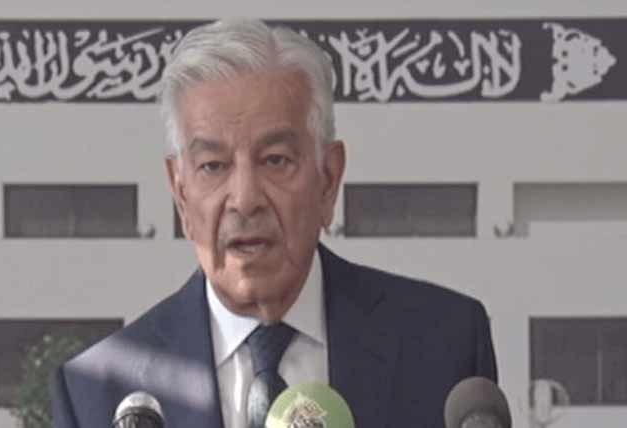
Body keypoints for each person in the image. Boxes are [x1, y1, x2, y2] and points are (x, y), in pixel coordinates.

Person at [51, 19, 497, 428]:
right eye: (212, 166)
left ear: (328, 178)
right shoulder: (95, 393)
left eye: (275, 160)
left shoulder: (444, 346)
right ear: (181, 193)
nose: (245, 200)